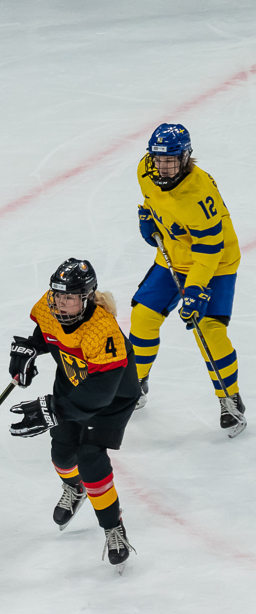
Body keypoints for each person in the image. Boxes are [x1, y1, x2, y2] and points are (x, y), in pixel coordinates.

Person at [8, 258, 140, 569]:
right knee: (62, 453)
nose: (61, 303)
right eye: (58, 295)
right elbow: (47, 333)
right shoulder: (50, 306)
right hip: (72, 382)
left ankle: (113, 528)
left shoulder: (102, 331)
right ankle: (74, 487)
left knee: (90, 457)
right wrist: (30, 348)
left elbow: (100, 394)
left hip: (112, 397)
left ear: (87, 298)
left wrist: (54, 409)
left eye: (70, 297)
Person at [130, 123, 243, 430]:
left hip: (216, 264)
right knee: (142, 318)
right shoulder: (145, 168)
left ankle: (229, 398)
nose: (162, 166)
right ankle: (135, 384)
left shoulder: (198, 194)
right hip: (171, 259)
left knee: (208, 330)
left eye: (170, 160)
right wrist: (147, 217)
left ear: (185, 158)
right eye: (158, 159)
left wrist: (194, 290)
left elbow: (209, 251)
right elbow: (150, 199)